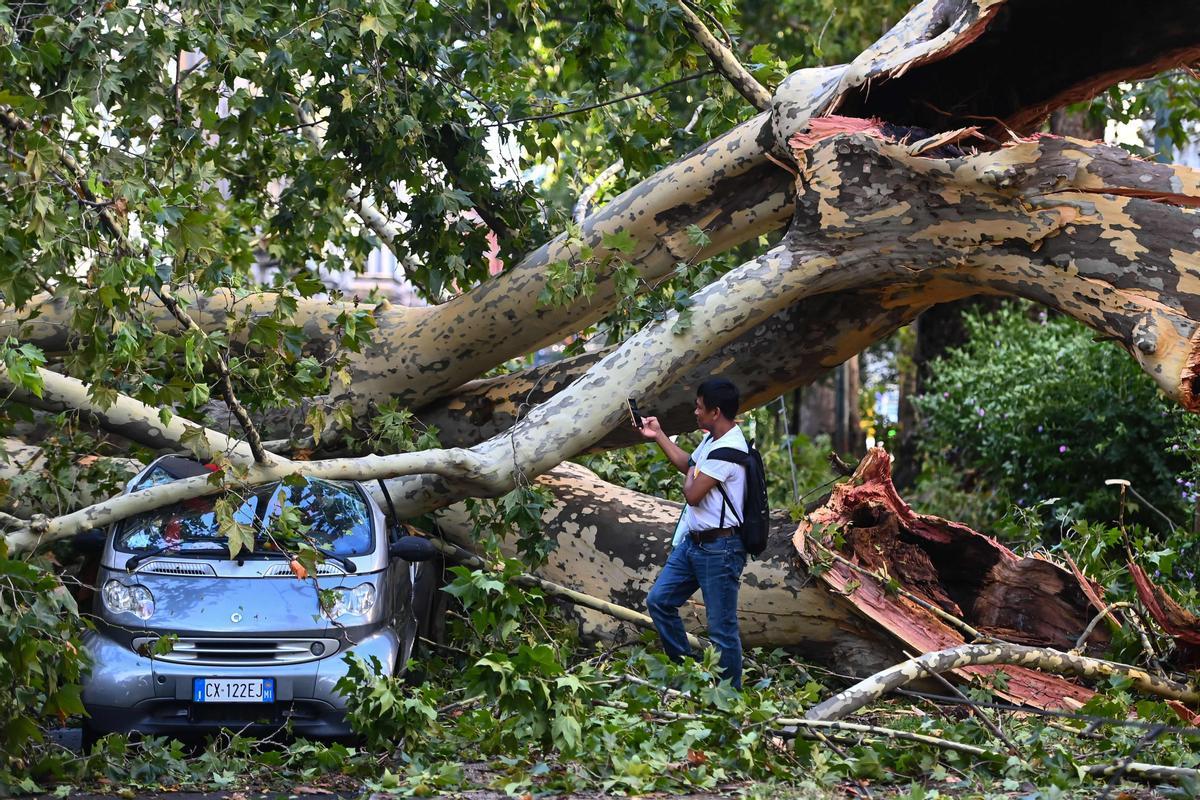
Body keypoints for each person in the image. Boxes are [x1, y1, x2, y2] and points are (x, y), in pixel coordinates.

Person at [637, 377, 748, 689]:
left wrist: (693, 474)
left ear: (715, 412)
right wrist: (657, 434)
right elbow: (690, 464)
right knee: (659, 601)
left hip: (720, 548)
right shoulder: (712, 440)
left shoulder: (728, 450)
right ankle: (690, 675)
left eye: (699, 408)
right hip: (694, 544)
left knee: (721, 629)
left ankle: (729, 700)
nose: (695, 412)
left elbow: (692, 494)